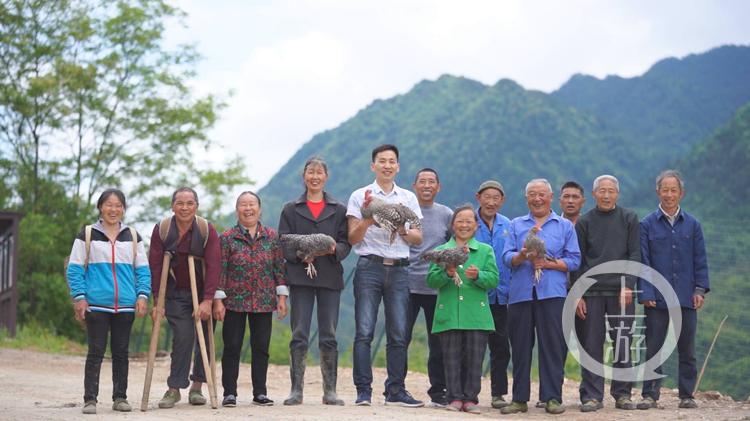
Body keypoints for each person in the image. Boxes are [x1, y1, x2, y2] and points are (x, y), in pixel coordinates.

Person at [346, 144, 424, 407]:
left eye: (392, 161)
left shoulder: (408, 198)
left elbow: (417, 237)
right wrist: (369, 218)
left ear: (398, 166)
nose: (387, 165)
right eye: (382, 161)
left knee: (399, 333)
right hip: (369, 266)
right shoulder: (360, 195)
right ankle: (363, 390)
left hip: (401, 269)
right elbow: (352, 237)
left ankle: (396, 390)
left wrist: (400, 227)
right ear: (373, 165)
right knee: (364, 331)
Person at [66, 188, 151, 414]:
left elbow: (143, 270)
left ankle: (120, 397)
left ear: (123, 209)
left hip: (125, 305)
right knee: (95, 351)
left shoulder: (133, 236)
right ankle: (90, 400)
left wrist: (142, 295)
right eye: (109, 205)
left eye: (118, 205)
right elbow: (74, 270)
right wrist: (80, 298)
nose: (113, 210)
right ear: (100, 208)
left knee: (121, 352)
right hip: (96, 304)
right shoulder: (86, 235)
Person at [501, 178, 581, 415]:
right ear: (526, 199)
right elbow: (506, 257)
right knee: (521, 347)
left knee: (552, 347)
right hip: (521, 295)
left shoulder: (564, 226)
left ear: (550, 198)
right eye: (532, 195)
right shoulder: (516, 225)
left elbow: (575, 260)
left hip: (553, 294)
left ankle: (552, 397)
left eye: (541, 195)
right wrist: (522, 256)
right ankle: (519, 399)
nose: (537, 199)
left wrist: (548, 263)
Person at [278, 157, 351, 406]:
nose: (315, 176)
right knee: (299, 333)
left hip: (330, 277)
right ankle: (296, 390)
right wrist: (303, 254)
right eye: (311, 172)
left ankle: (329, 391)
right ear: (304, 176)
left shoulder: (339, 209)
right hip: (300, 277)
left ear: (326, 177)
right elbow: (284, 241)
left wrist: (331, 250)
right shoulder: (291, 208)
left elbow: (345, 243)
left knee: (328, 334)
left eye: (320, 172)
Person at [637, 170, 709, 410]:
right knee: (654, 346)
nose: (669, 194)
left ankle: (687, 395)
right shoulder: (646, 224)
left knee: (686, 348)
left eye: (673, 190)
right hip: (656, 298)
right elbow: (643, 262)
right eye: (665, 190)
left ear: (681, 193)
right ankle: (650, 394)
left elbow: (700, 259)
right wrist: (646, 293)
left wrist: (699, 289)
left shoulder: (693, 224)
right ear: (658, 192)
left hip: (686, 297)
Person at [573, 175, 641, 412]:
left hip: (621, 292)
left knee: (623, 342)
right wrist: (578, 294)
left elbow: (634, 253)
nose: (606, 195)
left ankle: (622, 394)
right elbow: (578, 261)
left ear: (617, 194)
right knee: (591, 344)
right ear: (594, 194)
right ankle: (591, 395)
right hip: (591, 293)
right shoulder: (584, 222)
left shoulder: (629, 218)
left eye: (611, 191)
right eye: (601, 191)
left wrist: (628, 284)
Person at [148, 187, 221, 409]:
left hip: (203, 291)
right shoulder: (163, 229)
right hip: (174, 293)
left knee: (205, 339)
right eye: (180, 203)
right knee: (183, 335)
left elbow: (214, 265)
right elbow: (155, 265)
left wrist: (208, 300)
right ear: (173, 206)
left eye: (190, 203)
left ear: (196, 206)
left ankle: (197, 387)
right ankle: (174, 388)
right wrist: (157, 302)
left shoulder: (205, 229)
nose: (185, 207)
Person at [216, 191, 288, 407]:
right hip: (234, 301)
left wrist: (282, 297)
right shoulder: (227, 237)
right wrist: (218, 299)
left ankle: (260, 392)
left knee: (261, 347)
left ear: (259, 209)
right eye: (243, 205)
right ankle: (230, 392)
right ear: (237, 209)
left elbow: (278, 268)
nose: (248, 209)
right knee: (232, 346)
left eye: (252, 204)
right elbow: (221, 270)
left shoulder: (272, 236)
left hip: (264, 301)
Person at [427, 204, 499, 414]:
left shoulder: (485, 251)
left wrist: (479, 276)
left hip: (477, 314)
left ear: (476, 226)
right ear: (452, 225)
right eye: (460, 221)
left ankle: (471, 399)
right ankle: (454, 398)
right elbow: (431, 280)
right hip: (449, 311)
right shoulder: (441, 251)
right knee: (450, 358)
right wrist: (447, 274)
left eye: (469, 221)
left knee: (475, 359)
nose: (464, 225)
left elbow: (494, 279)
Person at [404, 168, 452, 407]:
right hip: (407, 286)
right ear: (414, 186)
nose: (426, 185)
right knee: (401, 338)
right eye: (422, 181)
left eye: (431, 182)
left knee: (439, 342)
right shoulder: (406, 211)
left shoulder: (446, 214)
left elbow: (455, 243)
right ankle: (396, 387)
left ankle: (438, 390)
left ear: (438, 187)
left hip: (437, 288)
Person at [473, 180, 512, 409]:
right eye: (487, 197)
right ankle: (471, 392)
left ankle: (498, 394)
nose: (491, 202)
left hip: (502, 296)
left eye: (495, 198)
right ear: (478, 198)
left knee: (500, 347)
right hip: (476, 294)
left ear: (502, 201)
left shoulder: (508, 225)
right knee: (474, 346)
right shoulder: (468, 222)